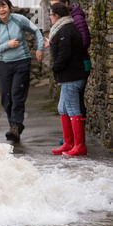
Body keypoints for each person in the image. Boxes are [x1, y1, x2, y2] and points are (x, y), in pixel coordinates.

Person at [0, 0, 44, 142]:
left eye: (4, 6)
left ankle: (15, 128)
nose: (1, 10)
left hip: (22, 62)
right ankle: (15, 127)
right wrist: (7, 45)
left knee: (17, 95)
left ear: (9, 7)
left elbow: (36, 30)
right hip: (4, 64)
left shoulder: (19, 20)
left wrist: (40, 48)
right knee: (6, 98)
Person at [45, 2, 87, 156]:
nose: (49, 18)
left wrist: (55, 67)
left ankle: (80, 145)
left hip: (71, 77)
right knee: (62, 108)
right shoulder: (65, 28)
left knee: (73, 110)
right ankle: (69, 142)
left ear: (56, 16)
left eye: (50, 15)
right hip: (69, 77)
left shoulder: (66, 30)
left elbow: (65, 54)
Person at [51, 0, 91, 120]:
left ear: (66, 3)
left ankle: (77, 138)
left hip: (76, 68)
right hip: (72, 68)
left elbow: (82, 43)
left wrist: (58, 66)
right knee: (64, 107)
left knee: (75, 106)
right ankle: (70, 138)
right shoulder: (64, 26)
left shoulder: (73, 22)